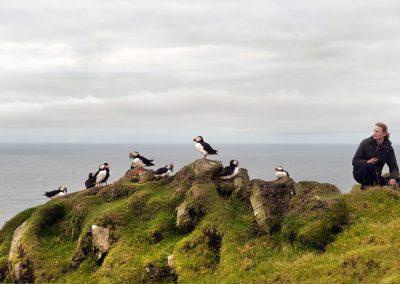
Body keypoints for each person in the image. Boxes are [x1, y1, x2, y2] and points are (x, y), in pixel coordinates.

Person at [352, 122, 399, 189]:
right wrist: (367, 162)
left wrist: (393, 178)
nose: (374, 133)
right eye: (374, 131)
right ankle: (365, 188)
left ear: (384, 134)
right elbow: (354, 161)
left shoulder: (388, 148)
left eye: (377, 131)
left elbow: (393, 167)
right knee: (370, 165)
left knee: (397, 181)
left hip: (376, 175)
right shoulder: (365, 143)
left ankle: (377, 185)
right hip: (360, 174)